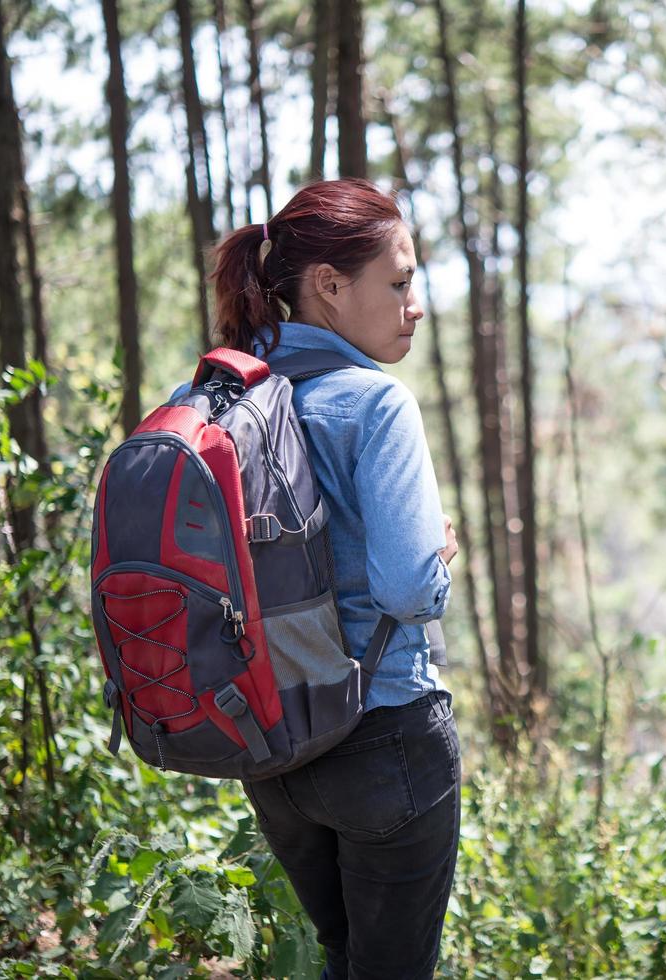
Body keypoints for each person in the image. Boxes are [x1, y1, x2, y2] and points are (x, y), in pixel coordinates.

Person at [207, 178, 461, 979]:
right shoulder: (373, 404)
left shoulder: (212, 398)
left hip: (270, 749)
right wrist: (439, 559)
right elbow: (407, 590)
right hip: (382, 732)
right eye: (398, 281)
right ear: (328, 286)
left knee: (342, 957)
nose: (414, 303)